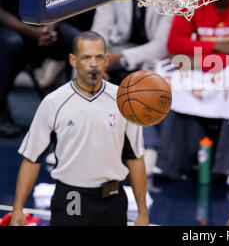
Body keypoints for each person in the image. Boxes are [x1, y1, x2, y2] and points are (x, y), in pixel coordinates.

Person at [10, 31, 149, 226]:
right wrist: (18, 209)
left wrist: (143, 213)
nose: (94, 63)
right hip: (71, 197)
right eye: (86, 57)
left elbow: (135, 158)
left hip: (112, 198)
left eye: (99, 57)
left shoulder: (123, 101)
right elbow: (32, 158)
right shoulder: (54, 102)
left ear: (107, 59)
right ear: (73, 60)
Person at [155, 0, 229, 185]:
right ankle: (172, 162)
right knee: (166, 75)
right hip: (206, 65)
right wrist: (219, 46)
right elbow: (174, 44)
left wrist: (196, 58)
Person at [0, 0, 80, 139]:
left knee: (79, 41)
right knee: (11, 43)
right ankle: (1, 108)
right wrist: (32, 32)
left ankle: (77, 109)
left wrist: (49, 28)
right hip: (11, 29)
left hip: (45, 26)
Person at [91, 0, 173, 86]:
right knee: (85, 61)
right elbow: (100, 31)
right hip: (116, 48)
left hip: (152, 57)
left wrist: (119, 57)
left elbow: (161, 46)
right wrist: (97, 58)